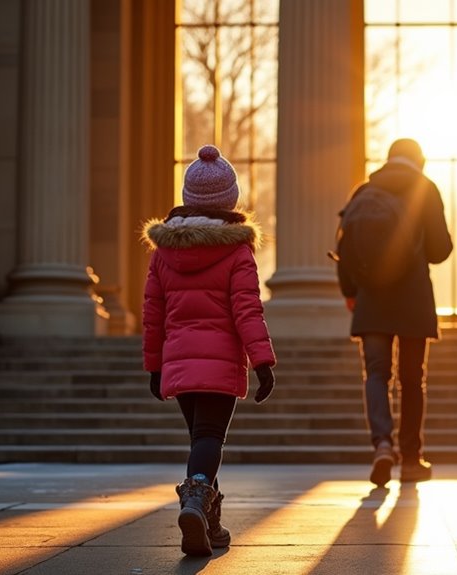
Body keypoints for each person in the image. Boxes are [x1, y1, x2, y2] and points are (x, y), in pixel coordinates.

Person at [141, 144, 277, 556]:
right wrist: (263, 361)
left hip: (179, 361)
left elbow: (153, 311)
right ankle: (196, 500)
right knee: (209, 437)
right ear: (230, 198)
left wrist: (154, 364)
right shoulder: (237, 250)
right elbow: (247, 309)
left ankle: (209, 524)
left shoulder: (165, 251)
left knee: (200, 439)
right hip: (219, 361)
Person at [335, 138, 453, 487]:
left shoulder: (364, 192)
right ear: (421, 160)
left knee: (376, 373)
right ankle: (412, 459)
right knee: (412, 378)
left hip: (371, 299)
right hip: (413, 297)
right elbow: (440, 249)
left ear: (389, 160)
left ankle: (382, 444)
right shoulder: (425, 189)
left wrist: (350, 293)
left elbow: (344, 247)